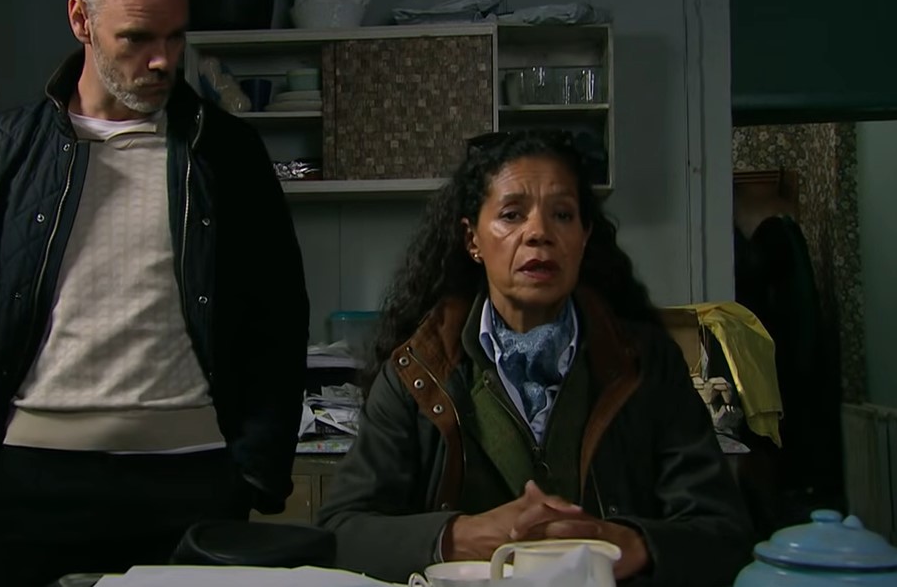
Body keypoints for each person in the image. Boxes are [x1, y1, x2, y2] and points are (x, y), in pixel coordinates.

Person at [0, 0, 309, 587]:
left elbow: (279, 318)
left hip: (194, 480)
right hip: (31, 485)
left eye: (175, 37)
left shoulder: (228, 154)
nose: (162, 61)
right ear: (81, 21)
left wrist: (252, 473)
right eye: (137, 38)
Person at [317, 130, 754, 586]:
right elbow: (341, 532)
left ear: (584, 236)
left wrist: (629, 543)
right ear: (472, 239)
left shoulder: (645, 363)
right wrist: (458, 536)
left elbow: (725, 533)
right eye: (511, 215)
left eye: (562, 215)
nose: (539, 234)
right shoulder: (418, 371)